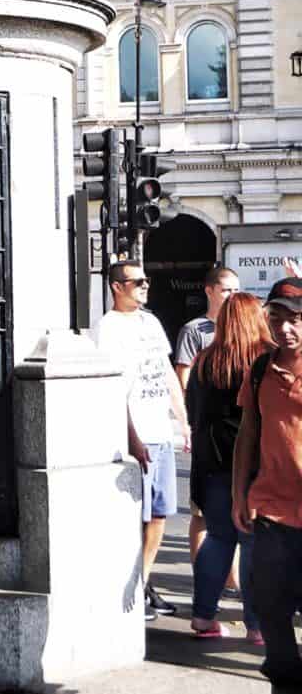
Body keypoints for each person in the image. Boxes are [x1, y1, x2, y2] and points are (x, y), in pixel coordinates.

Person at [94, 260, 190, 621]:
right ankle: (132, 583)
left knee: (161, 513)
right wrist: (131, 436)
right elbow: (111, 388)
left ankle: (144, 581)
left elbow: (165, 372)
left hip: (161, 431)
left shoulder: (151, 322)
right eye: (137, 282)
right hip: (136, 435)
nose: (145, 287)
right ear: (117, 287)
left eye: (146, 281)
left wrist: (183, 420)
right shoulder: (106, 328)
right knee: (136, 514)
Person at [186, 291, 272, 641]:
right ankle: (256, 625)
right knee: (254, 544)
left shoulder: (206, 361)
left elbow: (195, 413)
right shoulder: (266, 359)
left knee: (219, 538)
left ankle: (203, 617)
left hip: (213, 463)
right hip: (257, 464)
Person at [233, 276, 302, 687]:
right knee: (271, 612)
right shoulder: (261, 368)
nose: (285, 328)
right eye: (276, 319)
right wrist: (239, 493)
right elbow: (248, 432)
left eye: (294, 319)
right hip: (272, 512)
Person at [175, 266, 241, 574]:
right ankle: (202, 572)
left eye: (236, 290)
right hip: (206, 431)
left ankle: (230, 577)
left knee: (235, 509)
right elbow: (183, 379)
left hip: (235, 434)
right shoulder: (195, 330)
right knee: (202, 511)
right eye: (227, 290)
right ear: (210, 291)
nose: (232, 296)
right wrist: (188, 423)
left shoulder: (242, 329)